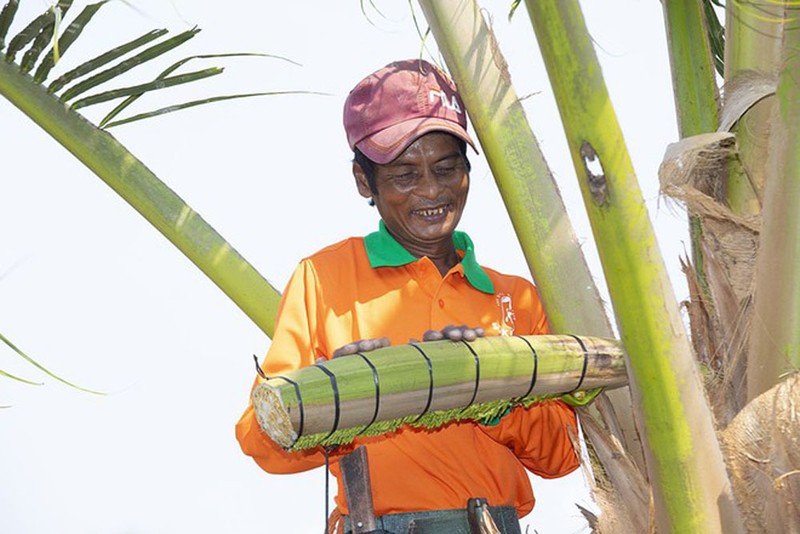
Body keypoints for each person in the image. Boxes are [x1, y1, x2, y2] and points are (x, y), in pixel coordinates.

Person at [236, 59, 580, 534]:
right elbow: (261, 442)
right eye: (404, 175)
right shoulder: (324, 278)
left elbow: (564, 456)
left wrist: (491, 388)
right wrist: (336, 393)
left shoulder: (515, 299)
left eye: (446, 167)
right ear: (364, 182)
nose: (432, 190)